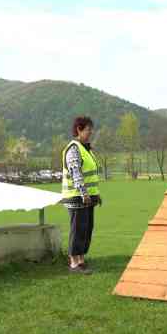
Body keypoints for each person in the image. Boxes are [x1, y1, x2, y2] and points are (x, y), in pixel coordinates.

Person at [61, 116, 102, 274]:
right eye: (88, 129)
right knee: (78, 229)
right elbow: (76, 172)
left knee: (86, 229)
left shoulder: (86, 149)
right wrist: (83, 193)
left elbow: (91, 175)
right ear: (79, 129)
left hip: (88, 197)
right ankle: (73, 262)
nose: (90, 132)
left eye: (91, 129)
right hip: (77, 196)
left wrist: (96, 195)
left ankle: (81, 260)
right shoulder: (74, 149)